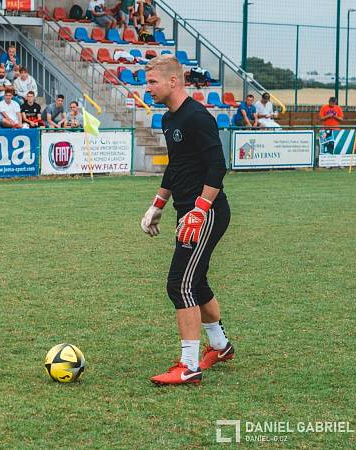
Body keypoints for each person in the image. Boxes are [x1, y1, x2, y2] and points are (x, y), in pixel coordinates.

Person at [141, 54, 232, 386]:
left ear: (173, 81)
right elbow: (176, 166)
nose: (147, 87)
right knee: (197, 282)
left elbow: (217, 167)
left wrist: (198, 210)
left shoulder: (197, 117)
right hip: (187, 211)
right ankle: (220, 347)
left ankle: (189, 365)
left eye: (152, 82)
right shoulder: (169, 120)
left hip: (205, 213)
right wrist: (157, 205)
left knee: (179, 284)